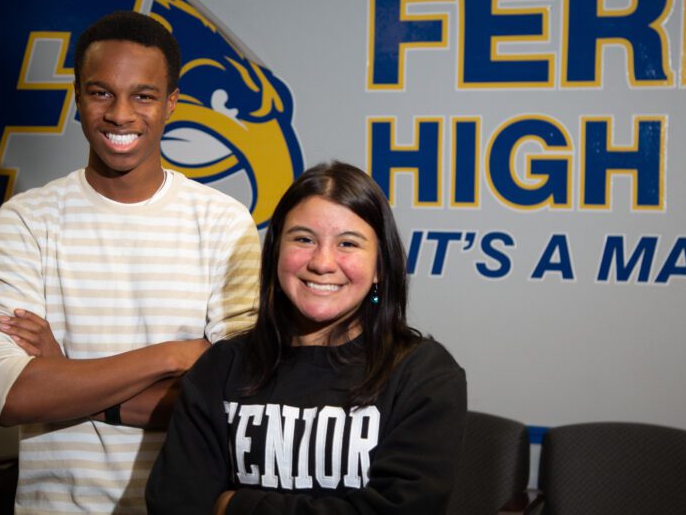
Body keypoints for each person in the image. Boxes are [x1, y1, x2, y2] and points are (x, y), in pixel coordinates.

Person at [0, 10, 260, 514]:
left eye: (143, 95)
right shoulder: (26, 221)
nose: (121, 114)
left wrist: (66, 377)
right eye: (102, 92)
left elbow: (234, 402)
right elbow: (11, 393)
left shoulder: (223, 223)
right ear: (78, 97)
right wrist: (172, 355)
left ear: (171, 104)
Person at [146, 161, 467, 514]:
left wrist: (235, 505)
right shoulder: (223, 367)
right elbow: (174, 504)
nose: (323, 262)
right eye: (303, 239)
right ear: (276, 252)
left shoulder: (423, 374)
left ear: (379, 266)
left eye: (348, 243)